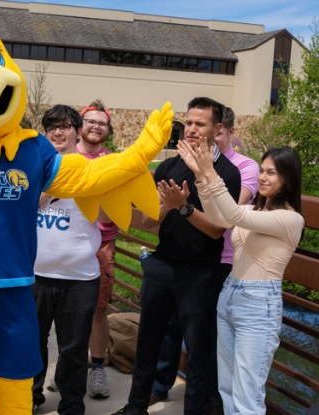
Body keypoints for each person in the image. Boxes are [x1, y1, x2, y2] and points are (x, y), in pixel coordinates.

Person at [113, 97, 241, 415]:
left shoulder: (227, 173)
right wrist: (168, 205)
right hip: (162, 264)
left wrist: (183, 207)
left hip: (200, 273)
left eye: (201, 124)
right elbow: (146, 222)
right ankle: (135, 407)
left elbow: (216, 230)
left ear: (218, 129)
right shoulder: (170, 166)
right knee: (148, 342)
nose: (192, 129)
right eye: (189, 122)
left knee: (198, 353)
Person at [178, 141, 304, 415]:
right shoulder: (254, 211)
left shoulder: (290, 219)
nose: (262, 177)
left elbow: (232, 213)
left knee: (247, 395)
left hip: (259, 306)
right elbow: (220, 217)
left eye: (272, 172)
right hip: (230, 297)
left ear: (288, 178)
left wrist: (211, 172)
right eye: (262, 170)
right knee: (227, 388)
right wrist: (200, 176)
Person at [149, 107, 259, 407]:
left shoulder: (241, 168)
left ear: (225, 131)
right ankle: (160, 384)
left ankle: (210, 397)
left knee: (205, 338)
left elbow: (229, 214)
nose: (197, 132)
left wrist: (204, 174)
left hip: (222, 260)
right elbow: (152, 215)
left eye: (209, 128)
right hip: (176, 258)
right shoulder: (179, 164)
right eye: (190, 124)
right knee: (170, 330)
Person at [32, 104, 106, 414]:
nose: (57, 132)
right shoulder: (30, 166)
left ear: (78, 131)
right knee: (31, 344)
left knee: (74, 348)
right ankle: (30, 398)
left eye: (64, 126)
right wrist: (49, 191)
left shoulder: (93, 170)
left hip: (80, 278)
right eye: (51, 127)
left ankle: (72, 403)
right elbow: (18, 208)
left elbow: (107, 214)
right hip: (33, 275)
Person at [80, 99, 120, 400]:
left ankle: (96, 369)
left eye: (101, 123)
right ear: (80, 125)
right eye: (90, 121)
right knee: (60, 310)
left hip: (102, 244)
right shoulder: (64, 157)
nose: (95, 126)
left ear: (108, 131)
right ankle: (70, 366)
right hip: (65, 242)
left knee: (98, 309)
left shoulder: (113, 162)